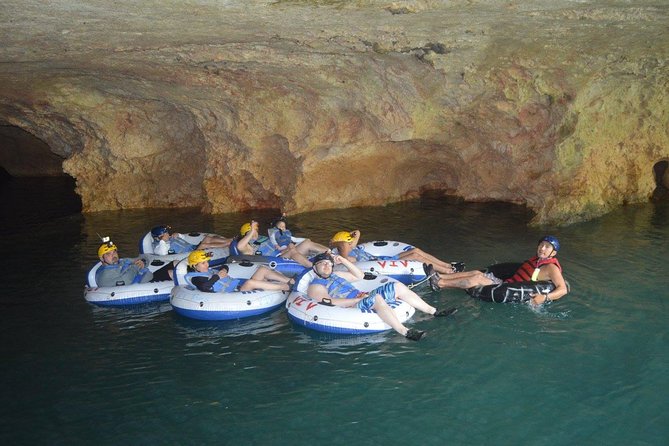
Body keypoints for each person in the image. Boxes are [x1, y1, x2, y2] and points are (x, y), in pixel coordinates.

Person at [306, 252, 457, 341]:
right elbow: (330, 302)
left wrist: (343, 261)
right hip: (352, 304)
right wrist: (357, 300)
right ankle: (405, 332)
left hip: (362, 296)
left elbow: (359, 275)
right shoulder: (315, 285)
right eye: (322, 264)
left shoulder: (337, 274)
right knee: (377, 298)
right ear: (315, 267)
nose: (327, 266)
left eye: (328, 263)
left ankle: (434, 311)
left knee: (397, 286)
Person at [428, 236, 569, 306]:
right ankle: (439, 276)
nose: (542, 249)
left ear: (553, 253)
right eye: (541, 245)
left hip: (506, 288)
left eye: (547, 247)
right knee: (477, 273)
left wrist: (544, 298)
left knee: (477, 279)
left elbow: (562, 289)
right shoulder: (536, 260)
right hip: (507, 282)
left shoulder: (551, 268)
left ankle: (440, 283)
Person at [329, 230, 464, 275]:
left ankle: (447, 265)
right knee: (416, 256)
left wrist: (349, 237)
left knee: (415, 251)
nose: (350, 243)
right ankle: (447, 271)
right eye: (347, 243)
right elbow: (342, 245)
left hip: (383, 258)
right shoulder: (344, 257)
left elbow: (357, 232)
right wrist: (337, 243)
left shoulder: (350, 248)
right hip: (381, 264)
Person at [186, 250, 294, 293]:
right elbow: (204, 287)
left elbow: (225, 267)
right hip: (234, 294)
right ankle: (286, 287)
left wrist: (223, 270)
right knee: (250, 283)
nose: (207, 264)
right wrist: (217, 277)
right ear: (195, 266)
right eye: (203, 263)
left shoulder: (208, 271)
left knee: (262, 269)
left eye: (207, 262)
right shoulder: (196, 278)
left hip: (238, 286)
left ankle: (290, 280)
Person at [233, 220, 327, 268]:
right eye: (253, 231)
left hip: (282, 253)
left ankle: (330, 253)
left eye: (256, 230)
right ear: (246, 234)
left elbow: (279, 245)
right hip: (274, 261)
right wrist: (251, 232)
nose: (255, 233)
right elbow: (239, 246)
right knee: (292, 251)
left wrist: (288, 245)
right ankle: (312, 267)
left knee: (306, 242)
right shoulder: (248, 246)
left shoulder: (263, 238)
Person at [150, 224, 231, 256]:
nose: (168, 234)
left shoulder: (169, 238)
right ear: (160, 236)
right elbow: (163, 253)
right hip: (189, 255)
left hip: (192, 248)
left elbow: (184, 238)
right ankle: (228, 244)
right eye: (165, 233)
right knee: (204, 245)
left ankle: (229, 240)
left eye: (167, 232)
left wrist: (178, 235)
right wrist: (162, 241)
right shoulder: (158, 247)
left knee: (207, 238)